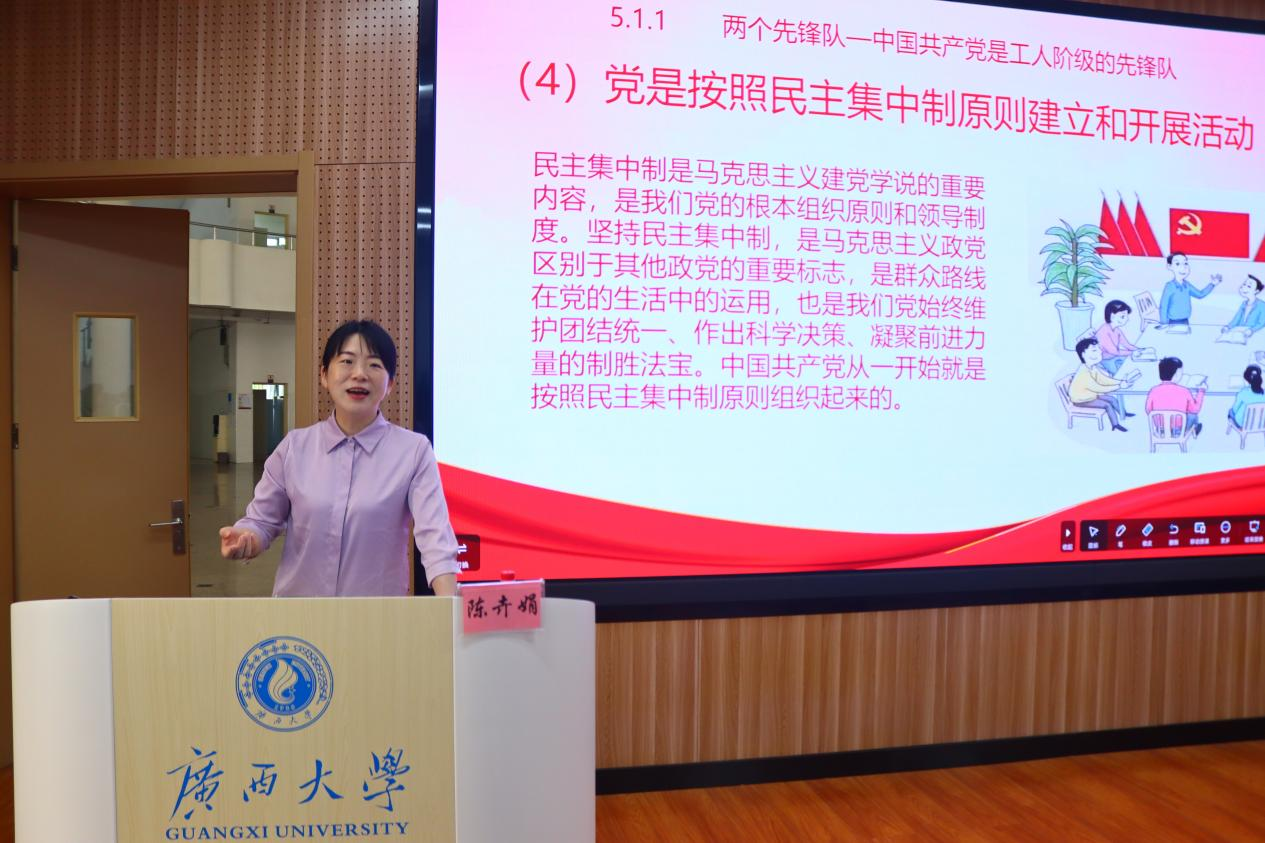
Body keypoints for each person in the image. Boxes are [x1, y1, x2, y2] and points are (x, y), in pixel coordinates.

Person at [219, 320, 460, 597]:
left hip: (377, 615)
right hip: (300, 614)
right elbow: (262, 521)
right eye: (347, 361)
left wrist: (449, 608)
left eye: (374, 365)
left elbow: (435, 539)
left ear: (390, 384)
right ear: (324, 375)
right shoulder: (294, 448)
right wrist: (247, 538)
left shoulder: (413, 451)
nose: (359, 374)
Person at [1070, 337, 1139, 432]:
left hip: (1090, 395)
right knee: (1107, 405)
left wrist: (1120, 381)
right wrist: (1119, 386)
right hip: (1081, 400)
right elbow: (1099, 388)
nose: (1099, 352)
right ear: (1083, 354)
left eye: (1099, 349)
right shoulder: (1084, 373)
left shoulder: (1092, 367)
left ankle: (1123, 413)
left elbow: (1104, 380)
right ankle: (1115, 425)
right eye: (1094, 350)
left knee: (1112, 399)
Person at [1144, 356, 1205, 438]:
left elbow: (1148, 409)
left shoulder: (1153, 390)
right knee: (1193, 415)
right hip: (1179, 431)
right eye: (1181, 373)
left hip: (1160, 430)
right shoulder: (1184, 391)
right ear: (1176, 375)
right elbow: (1195, 409)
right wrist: (1201, 391)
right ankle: (1193, 429)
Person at [1158, 252, 1221, 329]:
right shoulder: (1169, 286)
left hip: (1185, 321)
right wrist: (1164, 323)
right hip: (1173, 322)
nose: (1183, 267)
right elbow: (1163, 306)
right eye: (1177, 264)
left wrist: (1212, 284)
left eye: (1185, 263)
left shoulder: (1187, 285)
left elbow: (1200, 294)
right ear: (1169, 266)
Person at [1095, 299, 1151, 376]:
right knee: (1124, 371)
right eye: (1123, 316)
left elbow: (1127, 345)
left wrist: (1140, 350)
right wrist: (1132, 353)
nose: (1127, 319)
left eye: (1127, 316)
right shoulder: (1103, 331)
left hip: (1115, 357)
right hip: (1105, 361)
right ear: (1112, 316)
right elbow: (1114, 351)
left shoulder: (1117, 330)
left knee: (1133, 363)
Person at [1228, 364, 1265, 430]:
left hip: (1243, 424)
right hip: (1260, 424)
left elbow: (1234, 409)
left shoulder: (1243, 392)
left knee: (1230, 412)